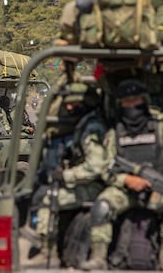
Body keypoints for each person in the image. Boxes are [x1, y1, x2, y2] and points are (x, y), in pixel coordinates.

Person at [81, 80, 163, 270]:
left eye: (136, 100)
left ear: (144, 101)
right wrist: (126, 179)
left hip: (157, 188)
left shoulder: (159, 127)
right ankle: (98, 258)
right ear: (120, 105)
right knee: (102, 206)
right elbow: (106, 168)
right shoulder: (114, 132)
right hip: (125, 190)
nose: (132, 106)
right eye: (127, 102)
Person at [24, 83, 108, 268]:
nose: (69, 108)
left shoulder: (92, 125)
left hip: (99, 184)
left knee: (49, 199)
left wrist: (67, 176)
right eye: (67, 103)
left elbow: (95, 166)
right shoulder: (84, 122)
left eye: (74, 103)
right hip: (96, 181)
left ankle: (48, 250)